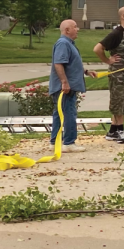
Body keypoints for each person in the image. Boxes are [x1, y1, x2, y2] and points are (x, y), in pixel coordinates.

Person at [93, 5, 124, 144]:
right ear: (123, 16)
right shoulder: (116, 34)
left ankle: (112, 131)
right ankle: (120, 130)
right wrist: (108, 60)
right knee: (118, 102)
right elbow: (97, 49)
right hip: (119, 76)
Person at [48, 19, 96, 153]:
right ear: (67, 30)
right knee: (69, 112)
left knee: (59, 113)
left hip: (65, 85)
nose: (78, 29)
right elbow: (59, 63)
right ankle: (69, 143)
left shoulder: (68, 44)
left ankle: (55, 142)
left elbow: (70, 63)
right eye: (75, 27)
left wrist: (86, 71)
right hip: (64, 87)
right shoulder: (63, 43)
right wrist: (64, 82)